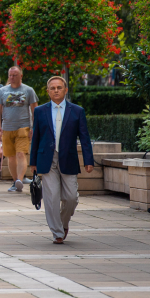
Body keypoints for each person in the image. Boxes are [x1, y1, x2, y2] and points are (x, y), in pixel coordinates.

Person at [29, 76, 94, 244]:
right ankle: (57, 233)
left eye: (59, 87)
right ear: (48, 91)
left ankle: (63, 223)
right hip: (47, 159)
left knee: (71, 198)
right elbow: (35, 137)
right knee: (51, 197)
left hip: (68, 158)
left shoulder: (77, 111)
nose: (56, 90)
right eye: (53, 88)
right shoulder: (40, 111)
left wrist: (89, 160)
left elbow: (85, 138)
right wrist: (33, 162)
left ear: (65, 90)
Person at [0, 67, 39, 193]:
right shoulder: (2, 91)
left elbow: (35, 110)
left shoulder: (28, 90)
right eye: (10, 75)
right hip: (7, 128)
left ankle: (19, 180)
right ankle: (15, 182)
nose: (12, 77)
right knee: (11, 156)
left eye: (15, 75)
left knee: (21, 153)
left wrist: (34, 128)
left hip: (23, 128)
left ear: (21, 76)